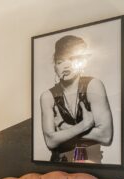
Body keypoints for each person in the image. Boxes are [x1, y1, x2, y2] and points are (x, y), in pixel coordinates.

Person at [40, 35, 113, 163]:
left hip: (91, 166)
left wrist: (65, 128)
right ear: (55, 68)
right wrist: (85, 125)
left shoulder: (93, 86)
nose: (66, 66)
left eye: (71, 59)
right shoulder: (47, 96)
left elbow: (106, 136)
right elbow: (51, 141)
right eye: (60, 62)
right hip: (60, 166)